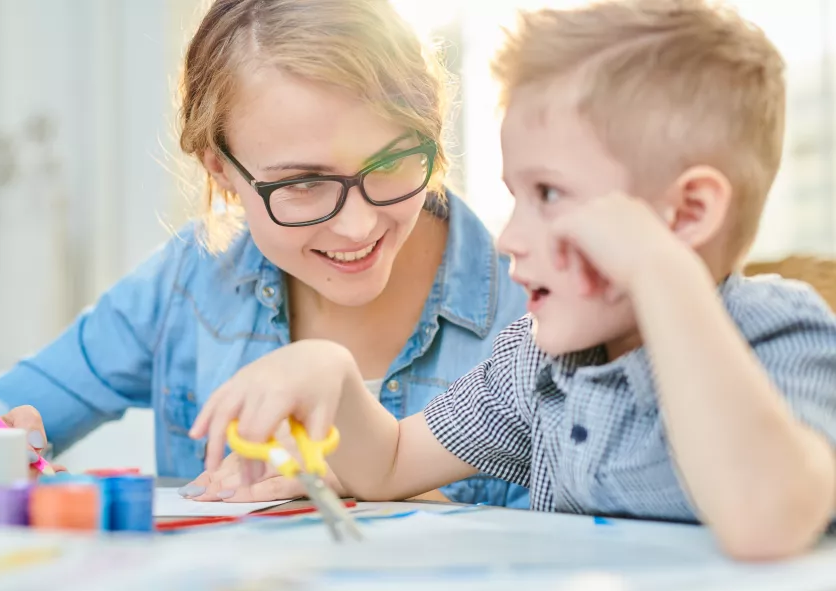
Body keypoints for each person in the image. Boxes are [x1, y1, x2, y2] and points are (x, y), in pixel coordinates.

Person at [191, 0, 836, 560]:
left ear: (688, 214)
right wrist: (328, 370)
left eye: (549, 195)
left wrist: (661, 270)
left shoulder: (781, 335)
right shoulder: (540, 362)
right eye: (515, 198)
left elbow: (767, 523)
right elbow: (388, 464)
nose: (508, 239)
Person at [0, 0, 530, 507]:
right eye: (301, 183)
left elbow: (587, 552)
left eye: (391, 162)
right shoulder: (189, 283)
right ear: (222, 171)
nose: (357, 223)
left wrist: (385, 490)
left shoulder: (536, 310)